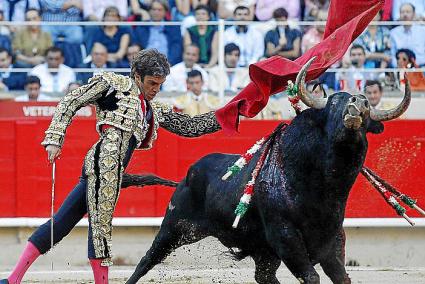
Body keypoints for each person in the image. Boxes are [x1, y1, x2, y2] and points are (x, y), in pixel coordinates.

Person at [0, 49, 221, 284]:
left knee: (62, 223)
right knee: (100, 226)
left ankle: (13, 279)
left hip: (111, 172)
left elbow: (189, 126)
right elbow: (71, 100)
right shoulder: (114, 86)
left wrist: (231, 113)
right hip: (101, 167)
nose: (156, 89)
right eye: (152, 83)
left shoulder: (152, 109)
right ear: (137, 76)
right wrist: (55, 137)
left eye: (160, 84)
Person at [132, 0, 183, 65]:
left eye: (160, 10)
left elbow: (176, 48)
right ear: (149, 11)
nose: (156, 12)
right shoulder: (141, 27)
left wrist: (169, 63)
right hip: (146, 65)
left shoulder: (173, 27)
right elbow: (136, 46)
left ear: (165, 12)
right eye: (154, 9)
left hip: (168, 64)